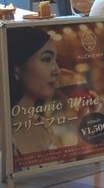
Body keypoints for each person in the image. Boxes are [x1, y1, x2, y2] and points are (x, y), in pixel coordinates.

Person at [8, 26, 62, 155]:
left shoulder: (44, 124)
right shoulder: (7, 133)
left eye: (56, 60)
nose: (57, 71)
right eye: (46, 59)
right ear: (16, 70)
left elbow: (69, 162)